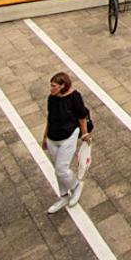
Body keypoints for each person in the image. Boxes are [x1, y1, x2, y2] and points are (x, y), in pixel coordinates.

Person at [41, 71, 90, 214]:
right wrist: (44, 137)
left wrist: (85, 133)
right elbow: (50, 118)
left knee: (61, 169)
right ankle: (63, 196)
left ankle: (76, 186)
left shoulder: (74, 97)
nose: (51, 89)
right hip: (52, 138)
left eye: (54, 86)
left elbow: (82, 116)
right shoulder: (52, 98)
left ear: (62, 86)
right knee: (58, 171)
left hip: (68, 136)